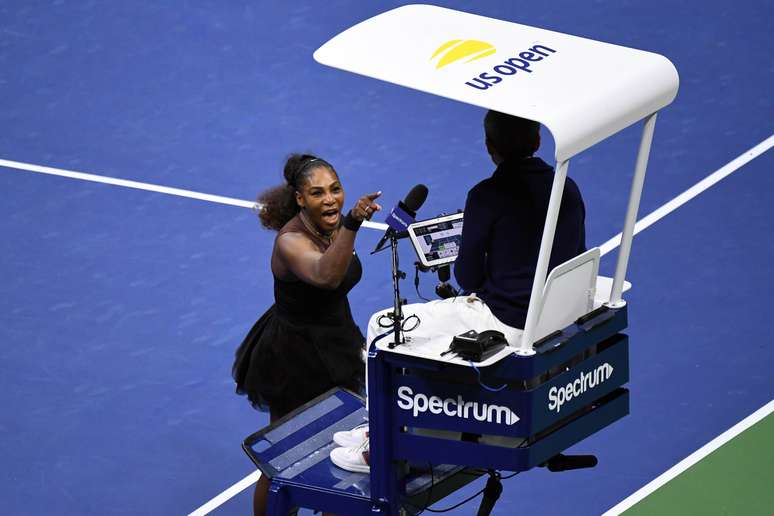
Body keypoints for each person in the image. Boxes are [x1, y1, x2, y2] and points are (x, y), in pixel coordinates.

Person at [329, 110, 586, 473]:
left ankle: (381, 440)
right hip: (555, 316)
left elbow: (468, 275)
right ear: (538, 141)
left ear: (489, 147)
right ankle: (387, 428)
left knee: (383, 326)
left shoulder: (486, 195)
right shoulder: (568, 188)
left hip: (506, 322)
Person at [232, 153, 381, 516]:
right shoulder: (290, 241)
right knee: (284, 456)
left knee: (341, 454)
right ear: (300, 199)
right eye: (317, 193)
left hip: (338, 344)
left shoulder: (328, 228)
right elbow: (327, 277)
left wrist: (345, 228)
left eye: (335, 189)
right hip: (292, 358)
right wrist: (352, 224)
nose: (329, 199)